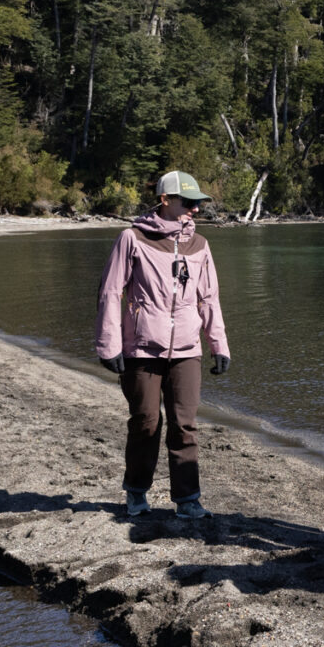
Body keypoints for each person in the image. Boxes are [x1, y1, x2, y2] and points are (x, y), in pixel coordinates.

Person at [93, 170, 231, 520]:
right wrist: (109, 345)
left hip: (187, 349)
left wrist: (219, 344)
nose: (196, 210)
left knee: (184, 424)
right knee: (146, 422)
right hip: (141, 349)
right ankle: (136, 493)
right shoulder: (132, 238)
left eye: (198, 204)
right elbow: (111, 292)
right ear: (165, 200)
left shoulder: (200, 245)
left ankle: (188, 500)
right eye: (189, 203)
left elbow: (209, 297)